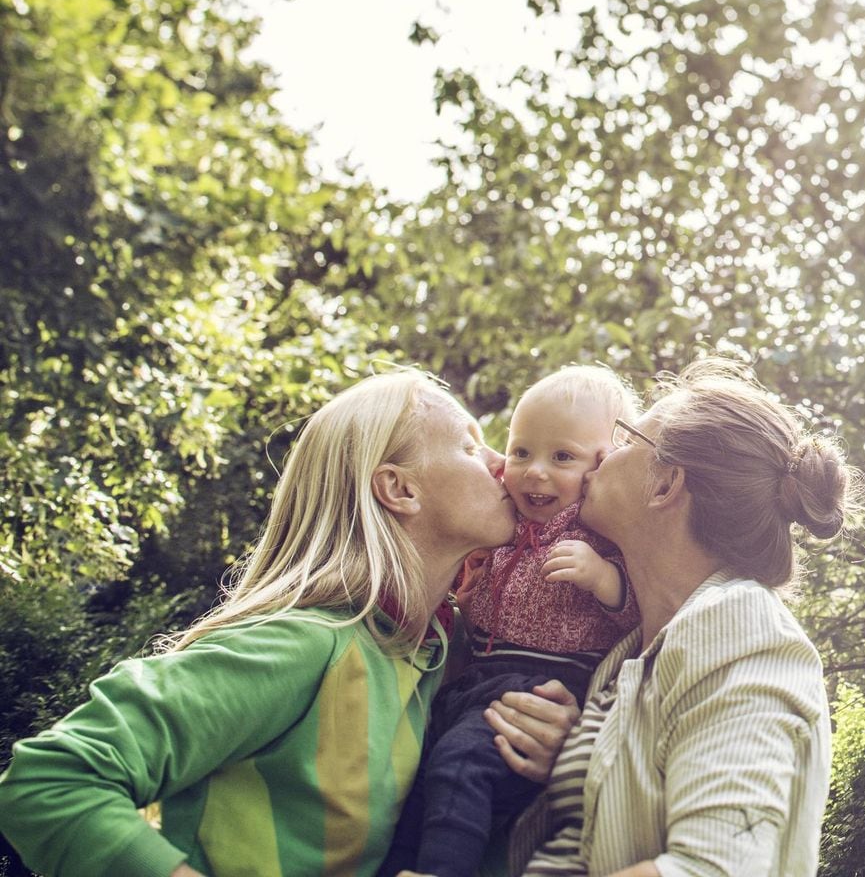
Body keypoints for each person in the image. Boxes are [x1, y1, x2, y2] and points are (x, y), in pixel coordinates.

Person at [0, 369, 577, 877]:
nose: (505, 465)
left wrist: (548, 756)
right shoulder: (305, 643)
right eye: (471, 447)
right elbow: (51, 780)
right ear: (399, 489)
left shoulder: (429, 657)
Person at [498, 357, 863, 877]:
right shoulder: (633, 652)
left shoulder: (743, 628)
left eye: (624, 440)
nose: (601, 457)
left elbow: (710, 869)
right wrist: (578, 755)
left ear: (666, 483)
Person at [381, 366, 641, 877]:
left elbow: (635, 613)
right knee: (423, 776)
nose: (534, 471)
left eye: (562, 456)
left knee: (462, 768)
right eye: (521, 451)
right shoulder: (504, 528)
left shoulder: (599, 533)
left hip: (540, 688)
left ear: (602, 466)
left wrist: (604, 577)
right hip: (477, 682)